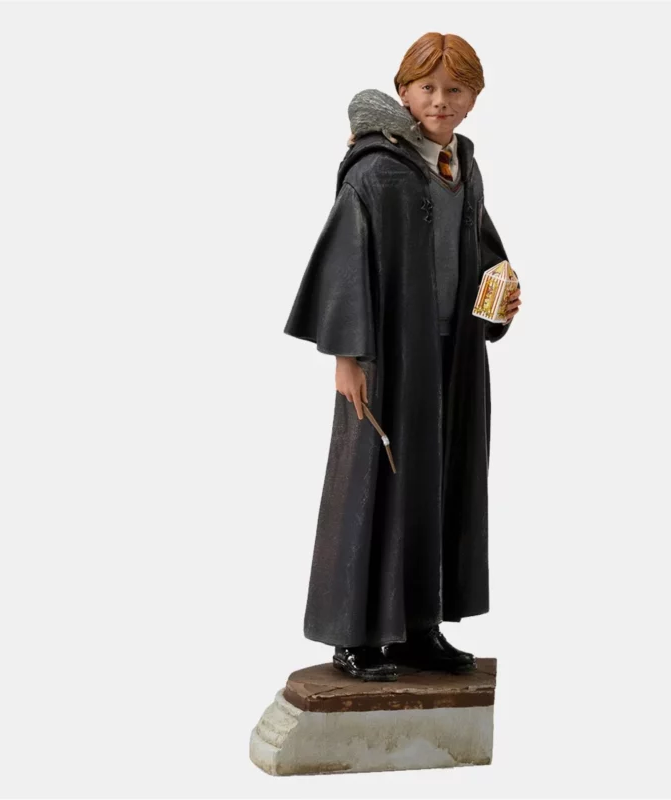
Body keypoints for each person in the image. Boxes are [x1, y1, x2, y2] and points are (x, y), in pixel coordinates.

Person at [283, 32, 522, 681]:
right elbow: (345, 256)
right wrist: (347, 355)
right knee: (372, 484)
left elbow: (479, 245)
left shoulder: (462, 168)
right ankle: (353, 636)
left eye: (455, 89)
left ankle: (418, 627)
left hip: (449, 356)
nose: (441, 101)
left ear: (474, 98)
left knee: (435, 486)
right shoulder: (377, 171)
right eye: (427, 88)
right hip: (386, 357)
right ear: (404, 93)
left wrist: (499, 290)